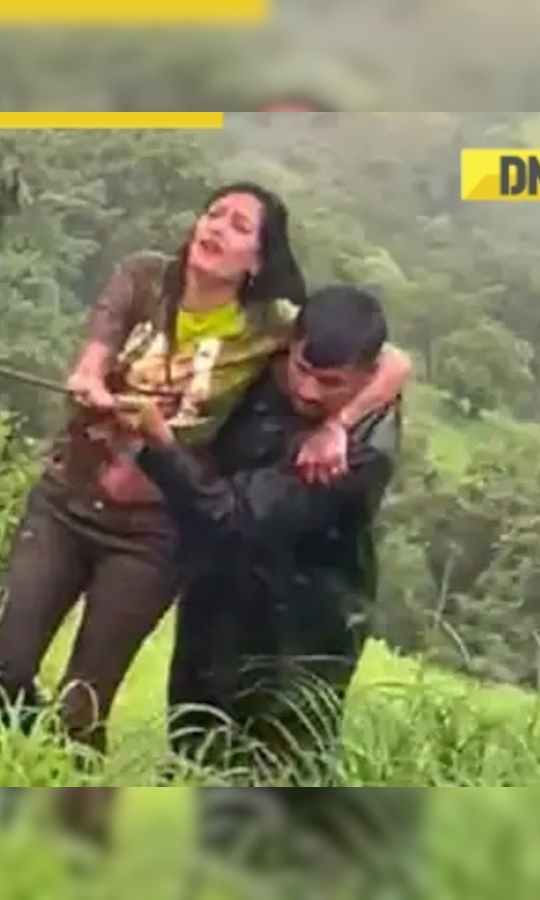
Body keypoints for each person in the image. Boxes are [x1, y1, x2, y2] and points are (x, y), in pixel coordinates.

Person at [0, 183, 413, 845]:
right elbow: (99, 344)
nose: (305, 388)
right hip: (137, 542)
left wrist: (336, 424)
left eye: (239, 227)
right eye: (214, 215)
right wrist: (93, 383)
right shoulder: (175, 292)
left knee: (109, 714)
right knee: (13, 669)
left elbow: (392, 363)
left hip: (225, 575)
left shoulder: (297, 368)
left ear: (260, 260)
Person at [118, 284, 422, 889]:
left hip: (305, 631)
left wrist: (157, 442)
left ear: (362, 378)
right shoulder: (271, 368)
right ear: (291, 350)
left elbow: (227, 517)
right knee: (192, 754)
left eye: (331, 384)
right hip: (217, 604)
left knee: (280, 788)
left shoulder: (360, 454)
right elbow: (397, 361)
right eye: (304, 369)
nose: (309, 391)